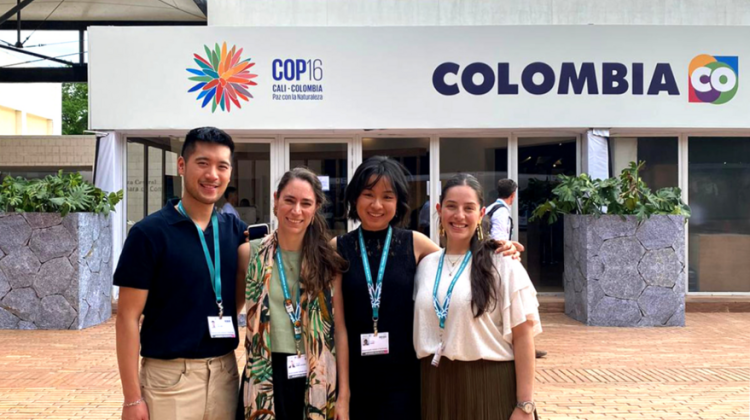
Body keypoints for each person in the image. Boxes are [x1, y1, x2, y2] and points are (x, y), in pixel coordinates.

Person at [333, 157, 521, 420]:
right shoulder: (338, 248)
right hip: (358, 378)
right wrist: (343, 395)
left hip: (409, 381)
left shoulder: (416, 244)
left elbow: (461, 260)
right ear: (355, 198)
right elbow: (339, 327)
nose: (377, 205)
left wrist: (497, 248)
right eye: (368, 195)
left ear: (398, 201)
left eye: (387, 196)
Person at [115, 127, 248, 420]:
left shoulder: (235, 232)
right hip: (169, 382)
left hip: (224, 373)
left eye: (222, 166)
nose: (212, 174)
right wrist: (131, 397)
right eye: (203, 163)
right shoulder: (149, 234)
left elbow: (237, 296)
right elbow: (126, 317)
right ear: (181, 165)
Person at [414, 173, 542, 420]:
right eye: (451, 206)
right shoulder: (425, 265)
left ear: (481, 213)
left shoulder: (503, 263)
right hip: (434, 385)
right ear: (439, 210)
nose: (459, 215)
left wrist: (525, 405)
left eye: (468, 208)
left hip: (489, 385)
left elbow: (523, 336)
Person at [237, 167, 347, 420]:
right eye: (289, 200)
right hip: (263, 374)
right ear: (276, 200)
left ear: (316, 207)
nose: (296, 211)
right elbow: (233, 311)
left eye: (305, 203)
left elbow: (340, 330)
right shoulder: (249, 254)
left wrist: (344, 396)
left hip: (317, 374)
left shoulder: (329, 262)